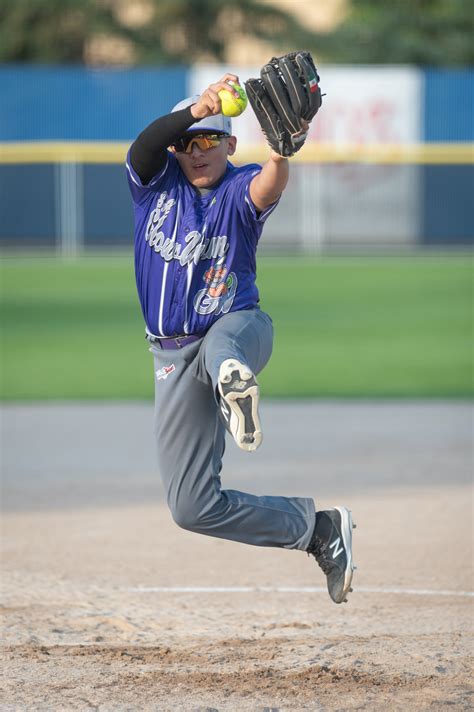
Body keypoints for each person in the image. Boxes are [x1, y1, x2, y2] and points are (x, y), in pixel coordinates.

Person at [126, 73, 355, 604]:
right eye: (187, 142)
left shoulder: (238, 186)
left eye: (209, 138)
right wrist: (192, 112)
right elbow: (144, 145)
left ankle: (233, 382)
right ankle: (319, 530)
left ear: (230, 143)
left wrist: (280, 154)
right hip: (172, 355)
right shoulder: (154, 185)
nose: (196, 150)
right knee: (191, 507)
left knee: (221, 350)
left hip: (239, 330)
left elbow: (267, 186)